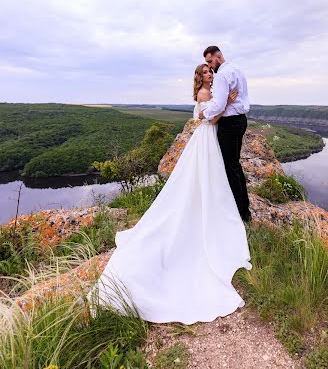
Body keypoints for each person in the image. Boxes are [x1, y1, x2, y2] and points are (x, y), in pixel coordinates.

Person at [87, 63, 252, 325]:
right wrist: (226, 105)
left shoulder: (210, 91)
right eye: (206, 72)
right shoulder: (203, 94)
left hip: (209, 137)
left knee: (211, 176)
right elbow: (206, 117)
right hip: (207, 136)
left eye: (211, 72)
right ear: (200, 77)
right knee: (204, 177)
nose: (211, 75)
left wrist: (224, 104)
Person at [198, 46, 251, 223]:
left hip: (229, 123)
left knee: (230, 167)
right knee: (235, 165)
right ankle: (245, 209)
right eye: (207, 64)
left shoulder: (222, 75)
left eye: (210, 62)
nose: (210, 67)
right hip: (241, 120)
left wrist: (204, 114)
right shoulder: (237, 70)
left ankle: (240, 212)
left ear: (219, 57)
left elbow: (219, 105)